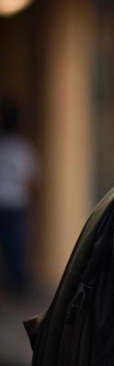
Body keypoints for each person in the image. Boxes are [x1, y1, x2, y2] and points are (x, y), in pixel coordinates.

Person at [0, 99, 38, 295]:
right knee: (17, 245)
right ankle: (17, 285)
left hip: (4, 202)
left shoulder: (3, 146)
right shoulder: (22, 148)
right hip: (16, 202)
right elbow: (29, 178)